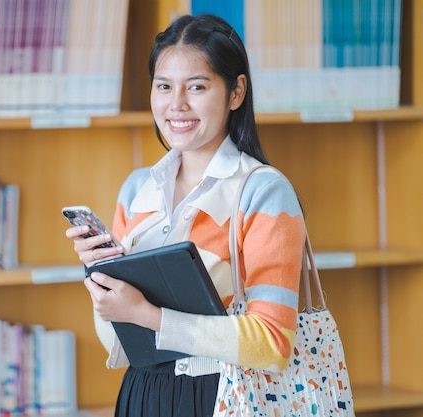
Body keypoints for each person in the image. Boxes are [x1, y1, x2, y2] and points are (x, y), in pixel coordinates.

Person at [65, 14, 306, 417]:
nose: (176, 105)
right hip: (141, 394)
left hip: (226, 397)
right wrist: (102, 281)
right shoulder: (136, 189)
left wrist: (148, 315)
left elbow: (273, 343)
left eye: (196, 86)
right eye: (164, 87)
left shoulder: (265, 191)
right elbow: (117, 344)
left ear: (236, 92)